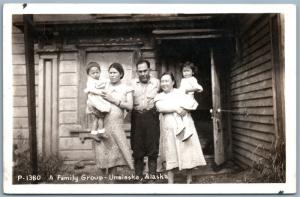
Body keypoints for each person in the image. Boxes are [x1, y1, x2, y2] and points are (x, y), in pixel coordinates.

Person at [154, 72, 206, 184]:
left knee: (186, 150)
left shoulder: (180, 93)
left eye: (167, 81)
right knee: (170, 152)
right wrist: (176, 109)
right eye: (162, 81)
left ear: (173, 82)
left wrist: (185, 109)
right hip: (168, 129)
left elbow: (192, 103)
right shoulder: (159, 96)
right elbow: (160, 107)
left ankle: (189, 179)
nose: (164, 83)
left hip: (184, 126)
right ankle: (170, 181)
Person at [93, 63, 134, 175]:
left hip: (116, 127)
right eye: (110, 73)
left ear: (121, 74)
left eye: (114, 72)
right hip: (102, 126)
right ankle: (101, 187)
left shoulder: (126, 88)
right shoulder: (104, 86)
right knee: (101, 158)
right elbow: (94, 100)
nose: (112, 75)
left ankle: (112, 187)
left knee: (113, 160)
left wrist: (114, 100)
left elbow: (130, 106)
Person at [131, 59, 160, 179]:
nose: (143, 74)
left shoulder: (157, 83)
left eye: (145, 71)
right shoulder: (132, 83)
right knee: (137, 148)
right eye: (140, 71)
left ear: (149, 70)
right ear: (137, 71)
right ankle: (139, 176)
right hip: (137, 117)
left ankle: (152, 176)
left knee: (152, 147)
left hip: (151, 116)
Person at [177, 61, 204, 141]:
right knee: (181, 114)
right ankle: (183, 129)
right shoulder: (183, 80)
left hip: (188, 99)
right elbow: (181, 90)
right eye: (184, 71)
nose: (185, 73)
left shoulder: (192, 79)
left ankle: (188, 131)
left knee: (184, 114)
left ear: (193, 72)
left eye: (188, 71)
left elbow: (200, 88)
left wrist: (189, 90)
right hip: (183, 99)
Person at [84, 62, 110, 139]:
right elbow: (92, 90)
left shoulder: (100, 80)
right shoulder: (90, 81)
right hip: (94, 103)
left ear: (100, 72)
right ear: (89, 74)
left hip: (97, 102)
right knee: (99, 117)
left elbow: (104, 84)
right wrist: (100, 92)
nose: (95, 74)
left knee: (97, 118)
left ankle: (95, 132)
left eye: (97, 72)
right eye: (93, 73)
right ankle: (100, 132)